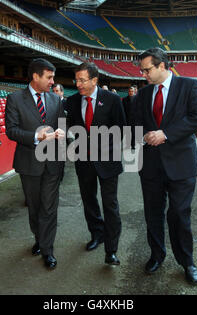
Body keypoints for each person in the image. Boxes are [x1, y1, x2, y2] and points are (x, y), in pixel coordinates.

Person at [134, 47, 197, 284]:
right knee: (152, 214)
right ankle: (157, 255)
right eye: (142, 70)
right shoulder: (144, 95)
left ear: (162, 66)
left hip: (181, 165)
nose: (144, 74)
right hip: (151, 166)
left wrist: (165, 134)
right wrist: (145, 135)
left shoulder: (188, 85)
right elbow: (136, 123)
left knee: (179, 214)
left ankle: (187, 261)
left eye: (147, 70)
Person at [5, 58, 65, 270]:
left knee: (49, 208)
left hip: (52, 164)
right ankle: (40, 239)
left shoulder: (56, 100)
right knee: (35, 207)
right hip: (29, 163)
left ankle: (47, 250)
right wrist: (35, 137)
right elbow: (11, 130)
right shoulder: (14, 99)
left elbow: (61, 126)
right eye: (49, 77)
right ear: (35, 76)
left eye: (53, 77)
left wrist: (61, 133)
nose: (52, 82)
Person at [66, 62, 126, 265]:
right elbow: (73, 129)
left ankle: (111, 250)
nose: (78, 84)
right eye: (76, 80)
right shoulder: (72, 101)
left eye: (82, 80)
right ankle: (97, 235)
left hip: (108, 161)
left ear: (94, 80)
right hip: (84, 162)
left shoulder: (112, 100)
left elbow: (120, 131)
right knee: (89, 201)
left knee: (110, 205)